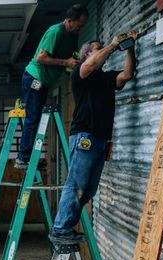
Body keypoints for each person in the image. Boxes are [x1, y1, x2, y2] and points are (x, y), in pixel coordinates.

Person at [49, 32, 137, 244]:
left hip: (101, 139)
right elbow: (90, 65)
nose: (104, 50)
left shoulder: (105, 78)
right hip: (84, 136)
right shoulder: (80, 72)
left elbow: (126, 75)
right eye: (99, 48)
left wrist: (130, 49)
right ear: (88, 53)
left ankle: (66, 226)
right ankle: (60, 228)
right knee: (77, 183)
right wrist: (114, 46)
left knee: (89, 189)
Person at [15, 4, 89, 169]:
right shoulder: (55, 32)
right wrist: (66, 62)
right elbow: (41, 58)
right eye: (80, 24)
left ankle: (29, 158)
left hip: (45, 82)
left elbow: (70, 57)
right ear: (69, 21)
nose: (81, 27)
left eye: (84, 25)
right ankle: (23, 159)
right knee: (33, 118)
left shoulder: (73, 35)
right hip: (35, 78)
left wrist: (75, 65)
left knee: (35, 118)